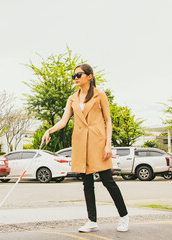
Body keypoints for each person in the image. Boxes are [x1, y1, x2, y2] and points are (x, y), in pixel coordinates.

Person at [41, 63, 129, 233]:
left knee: (107, 181)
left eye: (79, 75)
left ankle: (124, 216)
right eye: (74, 76)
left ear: (89, 76)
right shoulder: (72, 98)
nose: (75, 78)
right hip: (80, 143)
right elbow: (64, 120)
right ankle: (92, 221)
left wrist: (108, 144)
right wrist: (49, 130)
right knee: (87, 183)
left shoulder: (99, 94)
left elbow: (108, 120)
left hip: (98, 142)